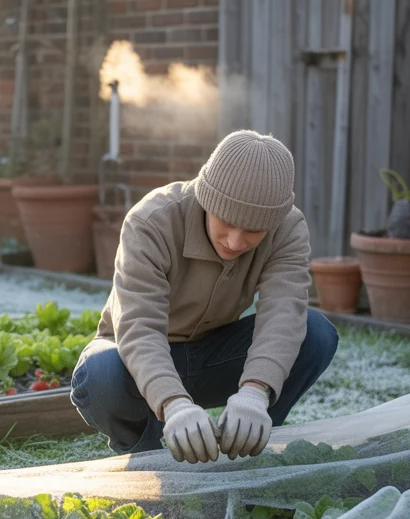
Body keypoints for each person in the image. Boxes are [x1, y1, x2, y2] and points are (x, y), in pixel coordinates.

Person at [71, 130, 338, 464]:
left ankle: (247, 439)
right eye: (226, 222)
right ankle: (146, 455)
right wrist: (173, 403)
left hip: (215, 355)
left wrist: (256, 392)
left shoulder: (289, 230)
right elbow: (138, 326)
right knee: (100, 374)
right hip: (137, 361)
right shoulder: (151, 221)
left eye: (254, 231)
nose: (236, 241)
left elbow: (284, 314)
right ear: (208, 200)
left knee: (316, 332)